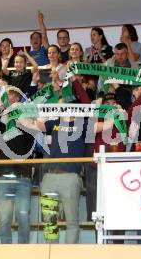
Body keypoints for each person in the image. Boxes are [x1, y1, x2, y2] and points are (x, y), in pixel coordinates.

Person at [14, 100, 115, 244]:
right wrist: (19, 111)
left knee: (71, 220)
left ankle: (68, 254)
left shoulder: (83, 124)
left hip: (70, 176)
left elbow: (106, 125)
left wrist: (115, 112)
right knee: (49, 221)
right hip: (49, 176)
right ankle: (52, 253)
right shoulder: (55, 122)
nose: (68, 111)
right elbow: (32, 125)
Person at [0, 88, 35, 244]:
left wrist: (15, 117)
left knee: (23, 217)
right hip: (3, 176)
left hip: (23, 177)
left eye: (13, 99)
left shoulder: (29, 127)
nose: (11, 101)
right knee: (5, 219)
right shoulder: (1, 124)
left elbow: (29, 130)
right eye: (8, 97)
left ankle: (23, 252)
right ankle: (5, 252)